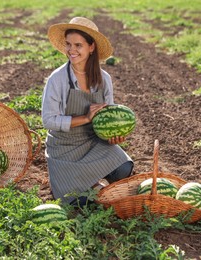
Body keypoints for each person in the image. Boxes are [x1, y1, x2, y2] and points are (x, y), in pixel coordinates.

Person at [41, 17, 133, 206]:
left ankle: (97, 185)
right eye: (68, 44)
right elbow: (49, 120)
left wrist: (113, 136)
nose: (71, 50)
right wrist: (85, 117)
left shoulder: (104, 79)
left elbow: (109, 114)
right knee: (78, 201)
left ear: (91, 47)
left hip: (93, 142)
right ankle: (95, 187)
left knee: (124, 168)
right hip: (64, 149)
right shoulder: (57, 79)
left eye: (78, 45)